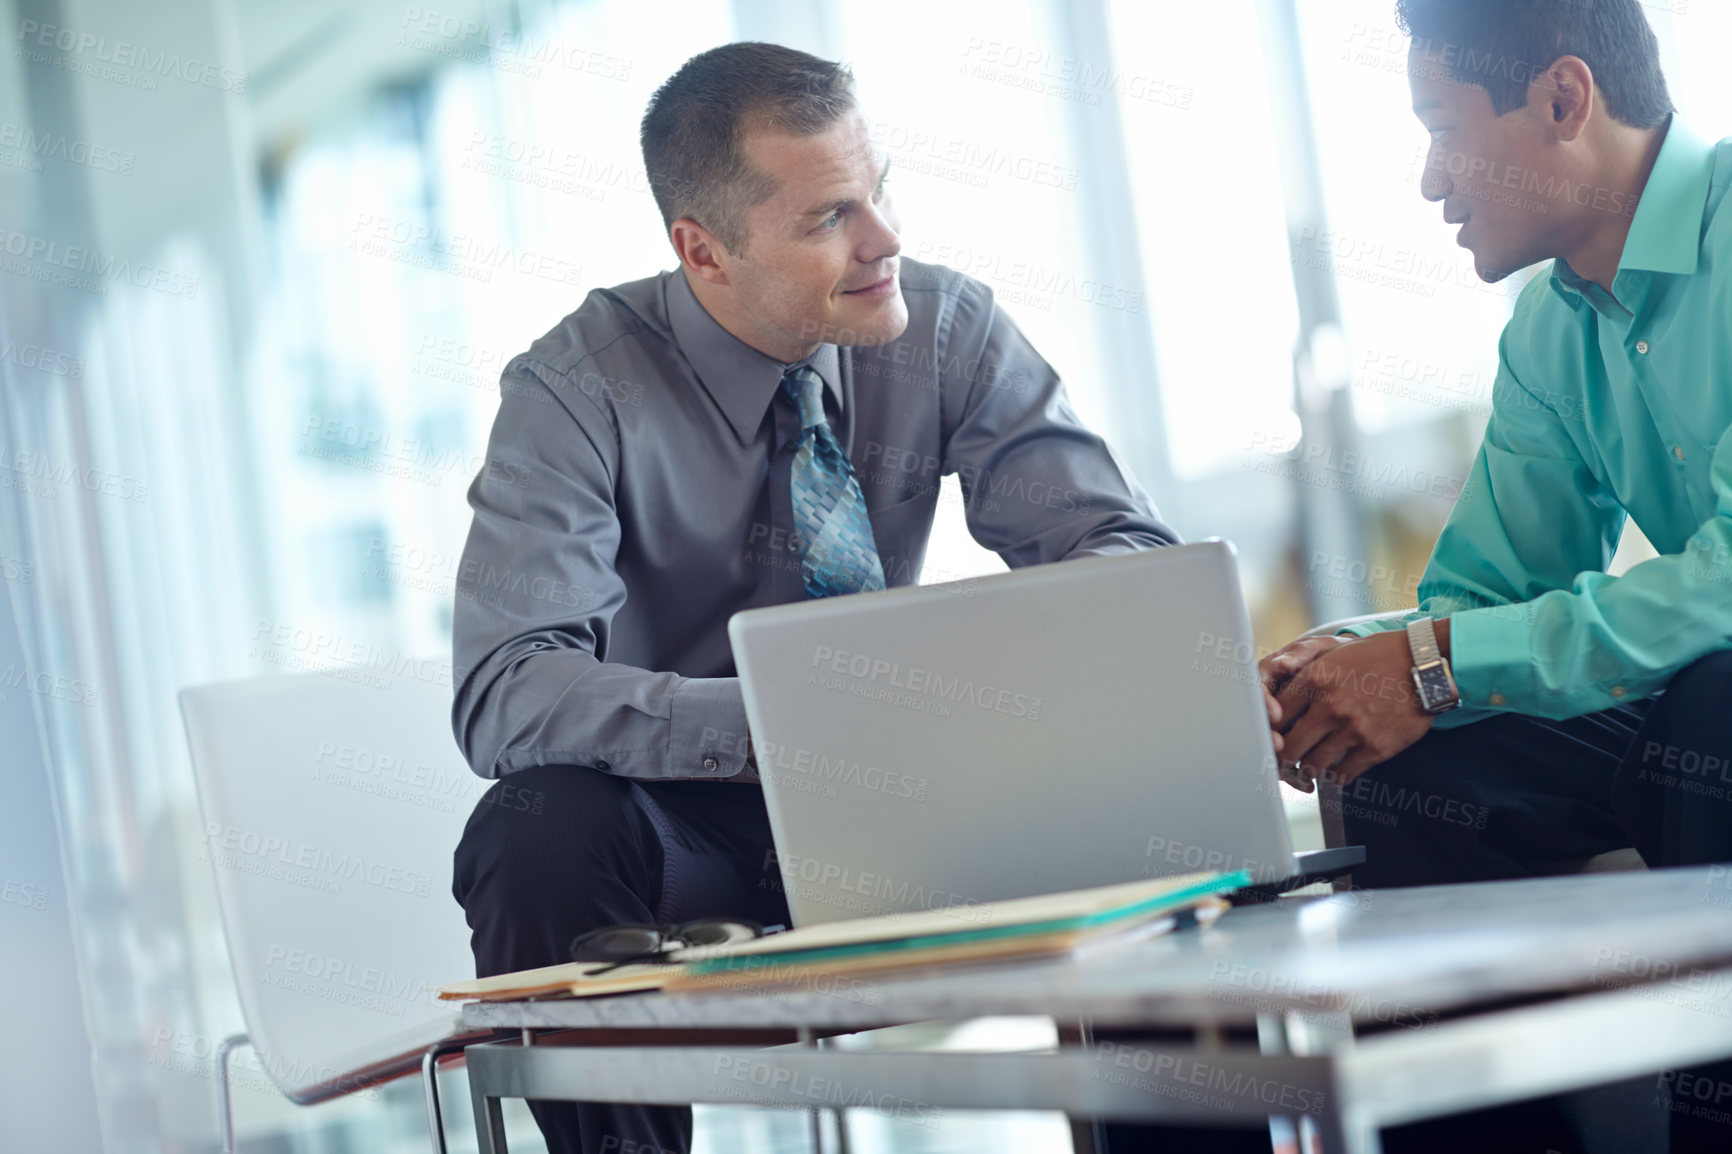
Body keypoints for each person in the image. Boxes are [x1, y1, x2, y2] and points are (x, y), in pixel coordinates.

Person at [448, 41, 1179, 1154]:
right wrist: (794, 723)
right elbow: (505, 690)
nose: (884, 240)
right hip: (697, 831)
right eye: (829, 216)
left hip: (929, 799)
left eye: (878, 192)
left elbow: (1124, 561)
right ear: (703, 251)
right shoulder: (573, 389)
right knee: (536, 825)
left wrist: (1011, 686)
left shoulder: (943, 328)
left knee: (1147, 774)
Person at [1258, 2, 1732, 1149]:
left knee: (1713, 703)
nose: (1430, 182)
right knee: (1413, 762)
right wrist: (1351, 664)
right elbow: (1484, 603)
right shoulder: (1548, 329)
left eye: (1438, 127)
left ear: (1563, 100)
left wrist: (1426, 661)